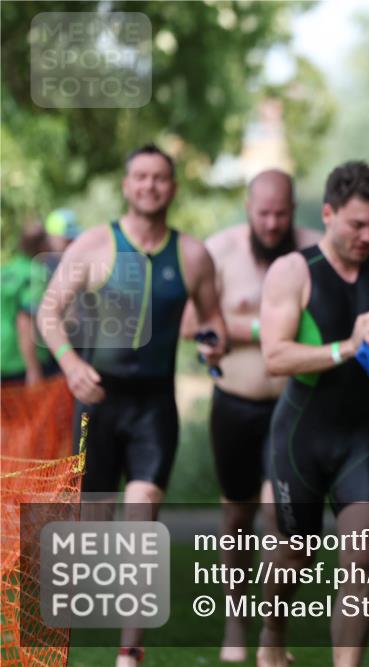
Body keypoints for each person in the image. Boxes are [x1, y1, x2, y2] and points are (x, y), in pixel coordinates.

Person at [37, 143, 227, 667]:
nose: (149, 186)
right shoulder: (96, 244)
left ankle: (129, 652)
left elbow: (212, 320)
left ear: (172, 187)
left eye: (159, 178)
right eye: (140, 177)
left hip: (153, 406)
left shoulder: (191, 254)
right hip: (98, 402)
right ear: (127, 186)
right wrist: (71, 366)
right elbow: (49, 313)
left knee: (141, 516)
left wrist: (213, 342)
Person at [257, 161, 369, 667]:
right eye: (356, 224)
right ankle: (272, 638)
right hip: (301, 438)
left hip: (362, 437)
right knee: (296, 557)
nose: (367, 235)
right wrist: (349, 346)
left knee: (360, 563)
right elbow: (276, 356)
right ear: (329, 213)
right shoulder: (294, 271)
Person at [180, 169, 321, 663]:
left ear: (292, 208)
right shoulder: (218, 251)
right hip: (235, 405)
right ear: (248, 207)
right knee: (237, 517)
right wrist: (262, 325)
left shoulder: (314, 250)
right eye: (262, 212)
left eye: (280, 213)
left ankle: (271, 629)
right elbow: (189, 325)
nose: (271, 222)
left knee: (283, 520)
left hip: (296, 407)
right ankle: (236, 621)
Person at [1, 223, 53, 385]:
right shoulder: (36, 273)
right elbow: (25, 320)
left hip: (4, 357)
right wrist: (33, 368)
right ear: (42, 244)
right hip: (23, 362)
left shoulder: (6, 270)